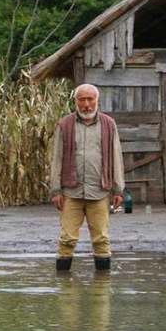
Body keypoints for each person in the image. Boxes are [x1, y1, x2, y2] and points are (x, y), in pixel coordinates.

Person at [50, 83, 124, 271]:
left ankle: (101, 294)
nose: (86, 104)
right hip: (70, 192)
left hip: (100, 191)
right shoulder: (65, 124)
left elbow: (116, 157)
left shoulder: (109, 124)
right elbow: (57, 158)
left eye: (90, 99)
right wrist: (56, 190)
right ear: (75, 101)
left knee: (101, 239)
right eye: (82, 99)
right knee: (67, 240)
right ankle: (66, 295)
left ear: (97, 100)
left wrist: (118, 189)